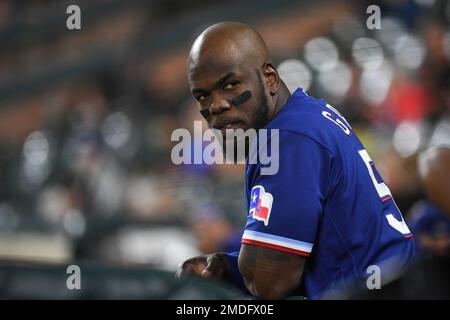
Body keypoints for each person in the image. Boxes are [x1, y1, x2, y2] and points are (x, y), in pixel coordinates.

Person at [177, 21, 416, 299]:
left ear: (269, 78)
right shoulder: (306, 114)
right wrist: (228, 266)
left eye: (230, 84)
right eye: (202, 95)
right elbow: (293, 261)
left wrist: (241, 269)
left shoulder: (289, 138)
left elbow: (269, 283)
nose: (216, 105)